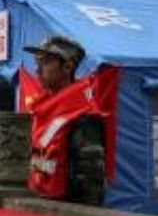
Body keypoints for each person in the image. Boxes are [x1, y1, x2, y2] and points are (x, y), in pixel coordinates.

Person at [21, 35, 107, 205]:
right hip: (36, 202)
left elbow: (91, 184)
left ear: (67, 67)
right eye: (37, 63)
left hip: (63, 211)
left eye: (45, 63)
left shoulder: (84, 116)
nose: (37, 71)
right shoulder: (42, 110)